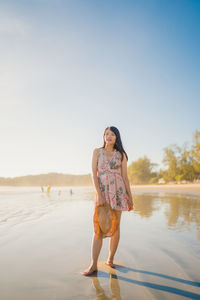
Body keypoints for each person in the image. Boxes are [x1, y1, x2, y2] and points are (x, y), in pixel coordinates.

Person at [82, 126, 135, 276]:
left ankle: (110, 259)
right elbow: (93, 174)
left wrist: (130, 198)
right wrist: (99, 194)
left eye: (112, 134)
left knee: (116, 227)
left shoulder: (122, 155)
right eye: (106, 134)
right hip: (103, 192)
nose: (109, 136)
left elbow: (125, 177)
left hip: (118, 192)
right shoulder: (97, 152)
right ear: (103, 136)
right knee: (99, 228)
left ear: (116, 137)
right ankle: (93, 265)